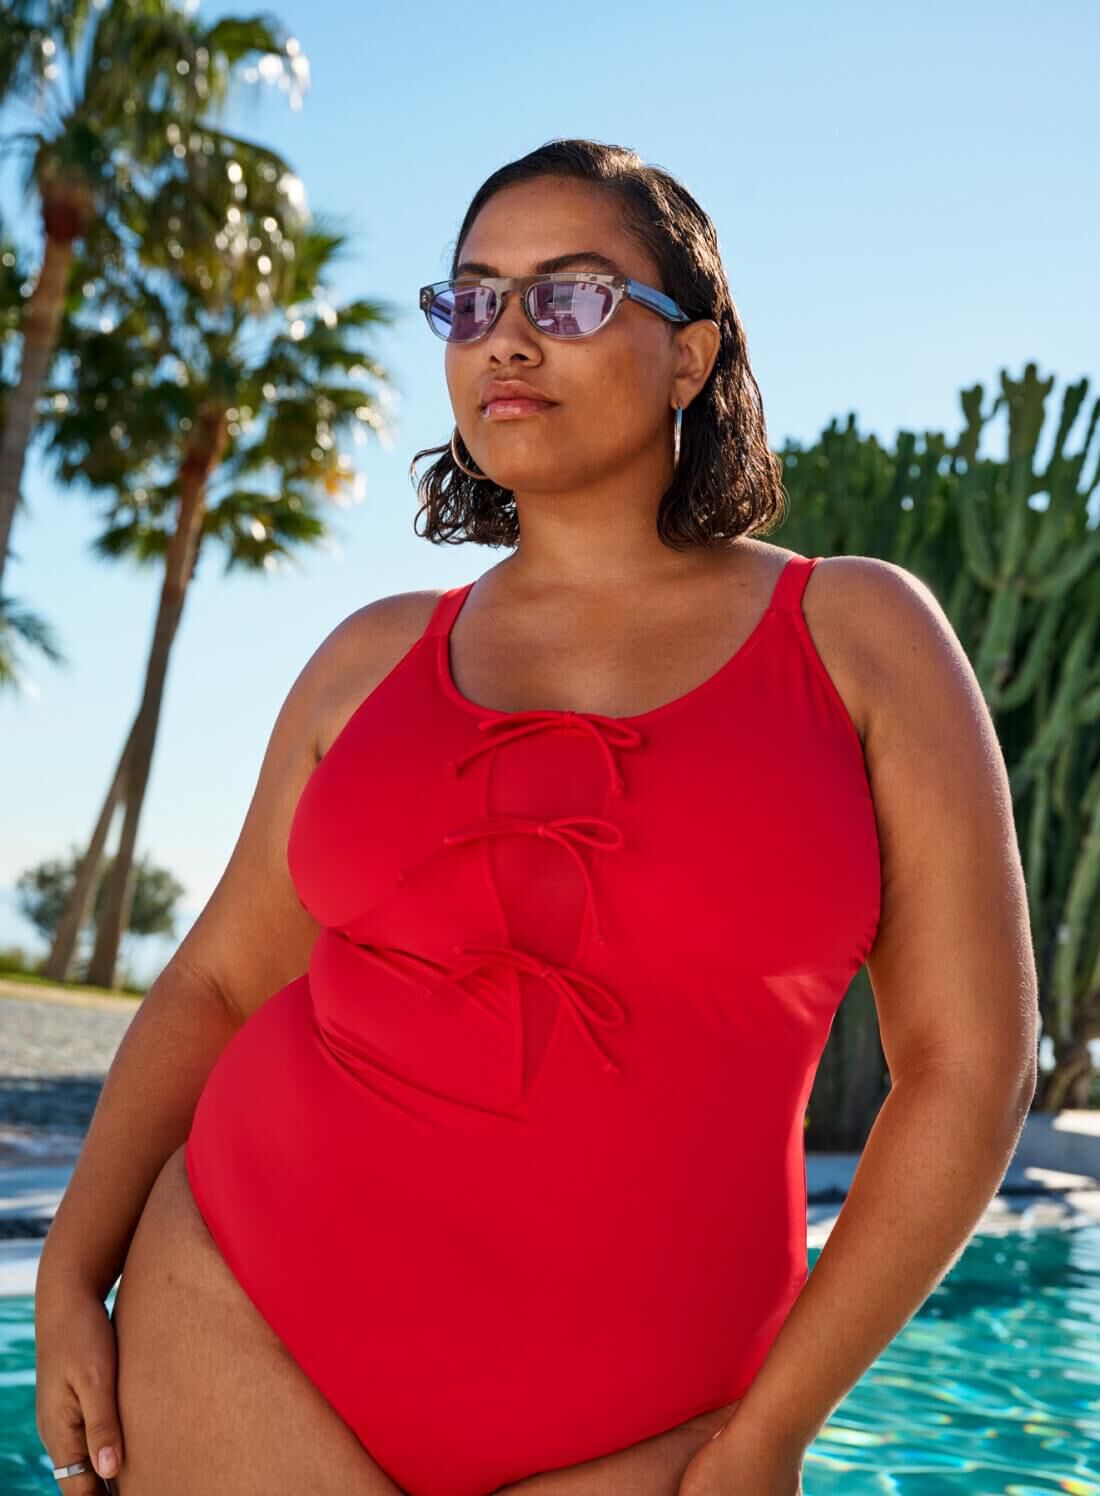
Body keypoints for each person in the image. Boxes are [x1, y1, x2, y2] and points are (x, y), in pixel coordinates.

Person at [35, 138, 1036, 1496]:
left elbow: (970, 1068)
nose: (506, 339)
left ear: (692, 357)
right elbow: (215, 981)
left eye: (568, 299)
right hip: (240, 1321)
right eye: (472, 300)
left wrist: (773, 1432)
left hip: (656, 1435)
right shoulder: (366, 659)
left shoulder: (858, 638)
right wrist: (68, 1273)